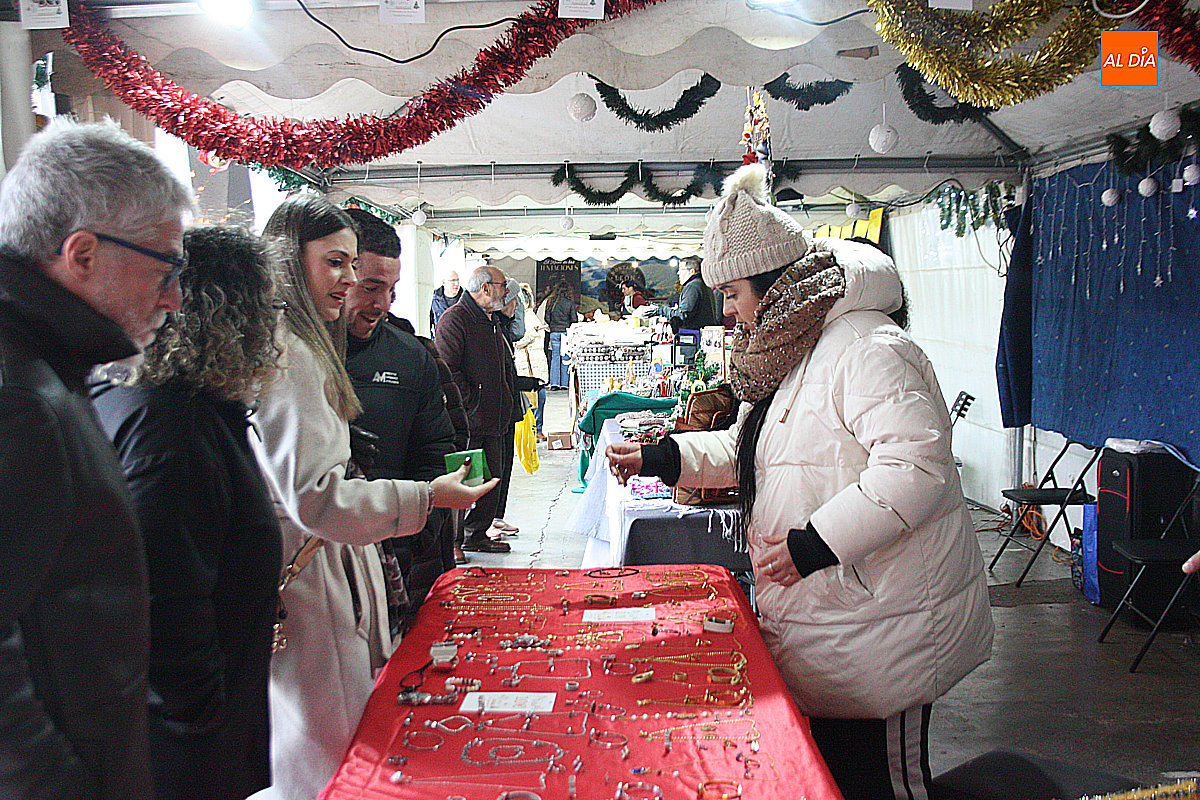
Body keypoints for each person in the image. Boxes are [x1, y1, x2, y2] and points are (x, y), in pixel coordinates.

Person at [606, 163, 993, 800]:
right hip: (831, 620)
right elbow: (756, 453)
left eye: (732, 292)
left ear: (774, 281)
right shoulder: (789, 350)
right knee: (836, 778)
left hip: (882, 620)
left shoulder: (867, 347)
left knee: (884, 784)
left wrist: (816, 543)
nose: (726, 310)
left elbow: (915, 468)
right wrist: (661, 458)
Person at [249, 195, 496, 800]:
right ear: (289, 259)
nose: (349, 281)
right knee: (327, 756)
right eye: (335, 263)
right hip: (315, 579)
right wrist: (426, 497)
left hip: (335, 571)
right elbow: (318, 499)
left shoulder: (301, 344)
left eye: (351, 265)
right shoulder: (293, 352)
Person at [0, 118, 192, 800]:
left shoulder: (46, 369)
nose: (173, 297)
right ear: (82, 254)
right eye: (166, 267)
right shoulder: (21, 396)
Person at [91, 225, 282, 800]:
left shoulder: (152, 402)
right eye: (269, 309)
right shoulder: (172, 427)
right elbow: (165, 600)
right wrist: (205, 725)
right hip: (181, 748)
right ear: (237, 319)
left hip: (182, 730)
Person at [341, 207, 457, 631]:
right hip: (311, 567)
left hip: (395, 559)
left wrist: (411, 539)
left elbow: (437, 450)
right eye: (370, 288)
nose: (381, 304)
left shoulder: (410, 356)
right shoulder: (289, 356)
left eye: (391, 290)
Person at [435, 265, 519, 553]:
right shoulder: (455, 319)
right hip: (469, 420)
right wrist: (471, 403)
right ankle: (454, 541)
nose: (505, 292)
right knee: (464, 482)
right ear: (485, 288)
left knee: (492, 479)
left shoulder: (490, 320)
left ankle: (476, 535)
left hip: (494, 419)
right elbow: (448, 370)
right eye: (502, 285)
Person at [514, 282, 549, 441]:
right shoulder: (520, 317)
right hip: (528, 365)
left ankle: (537, 429)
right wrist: (533, 333)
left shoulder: (529, 315)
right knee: (533, 399)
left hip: (536, 363)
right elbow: (517, 341)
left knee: (539, 397)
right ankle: (533, 430)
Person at [539, 278, 578, 389]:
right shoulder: (570, 303)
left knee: (555, 357)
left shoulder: (551, 302)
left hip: (554, 333)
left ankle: (554, 383)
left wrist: (552, 325)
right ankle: (564, 384)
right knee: (565, 357)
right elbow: (574, 319)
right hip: (566, 333)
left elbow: (546, 318)